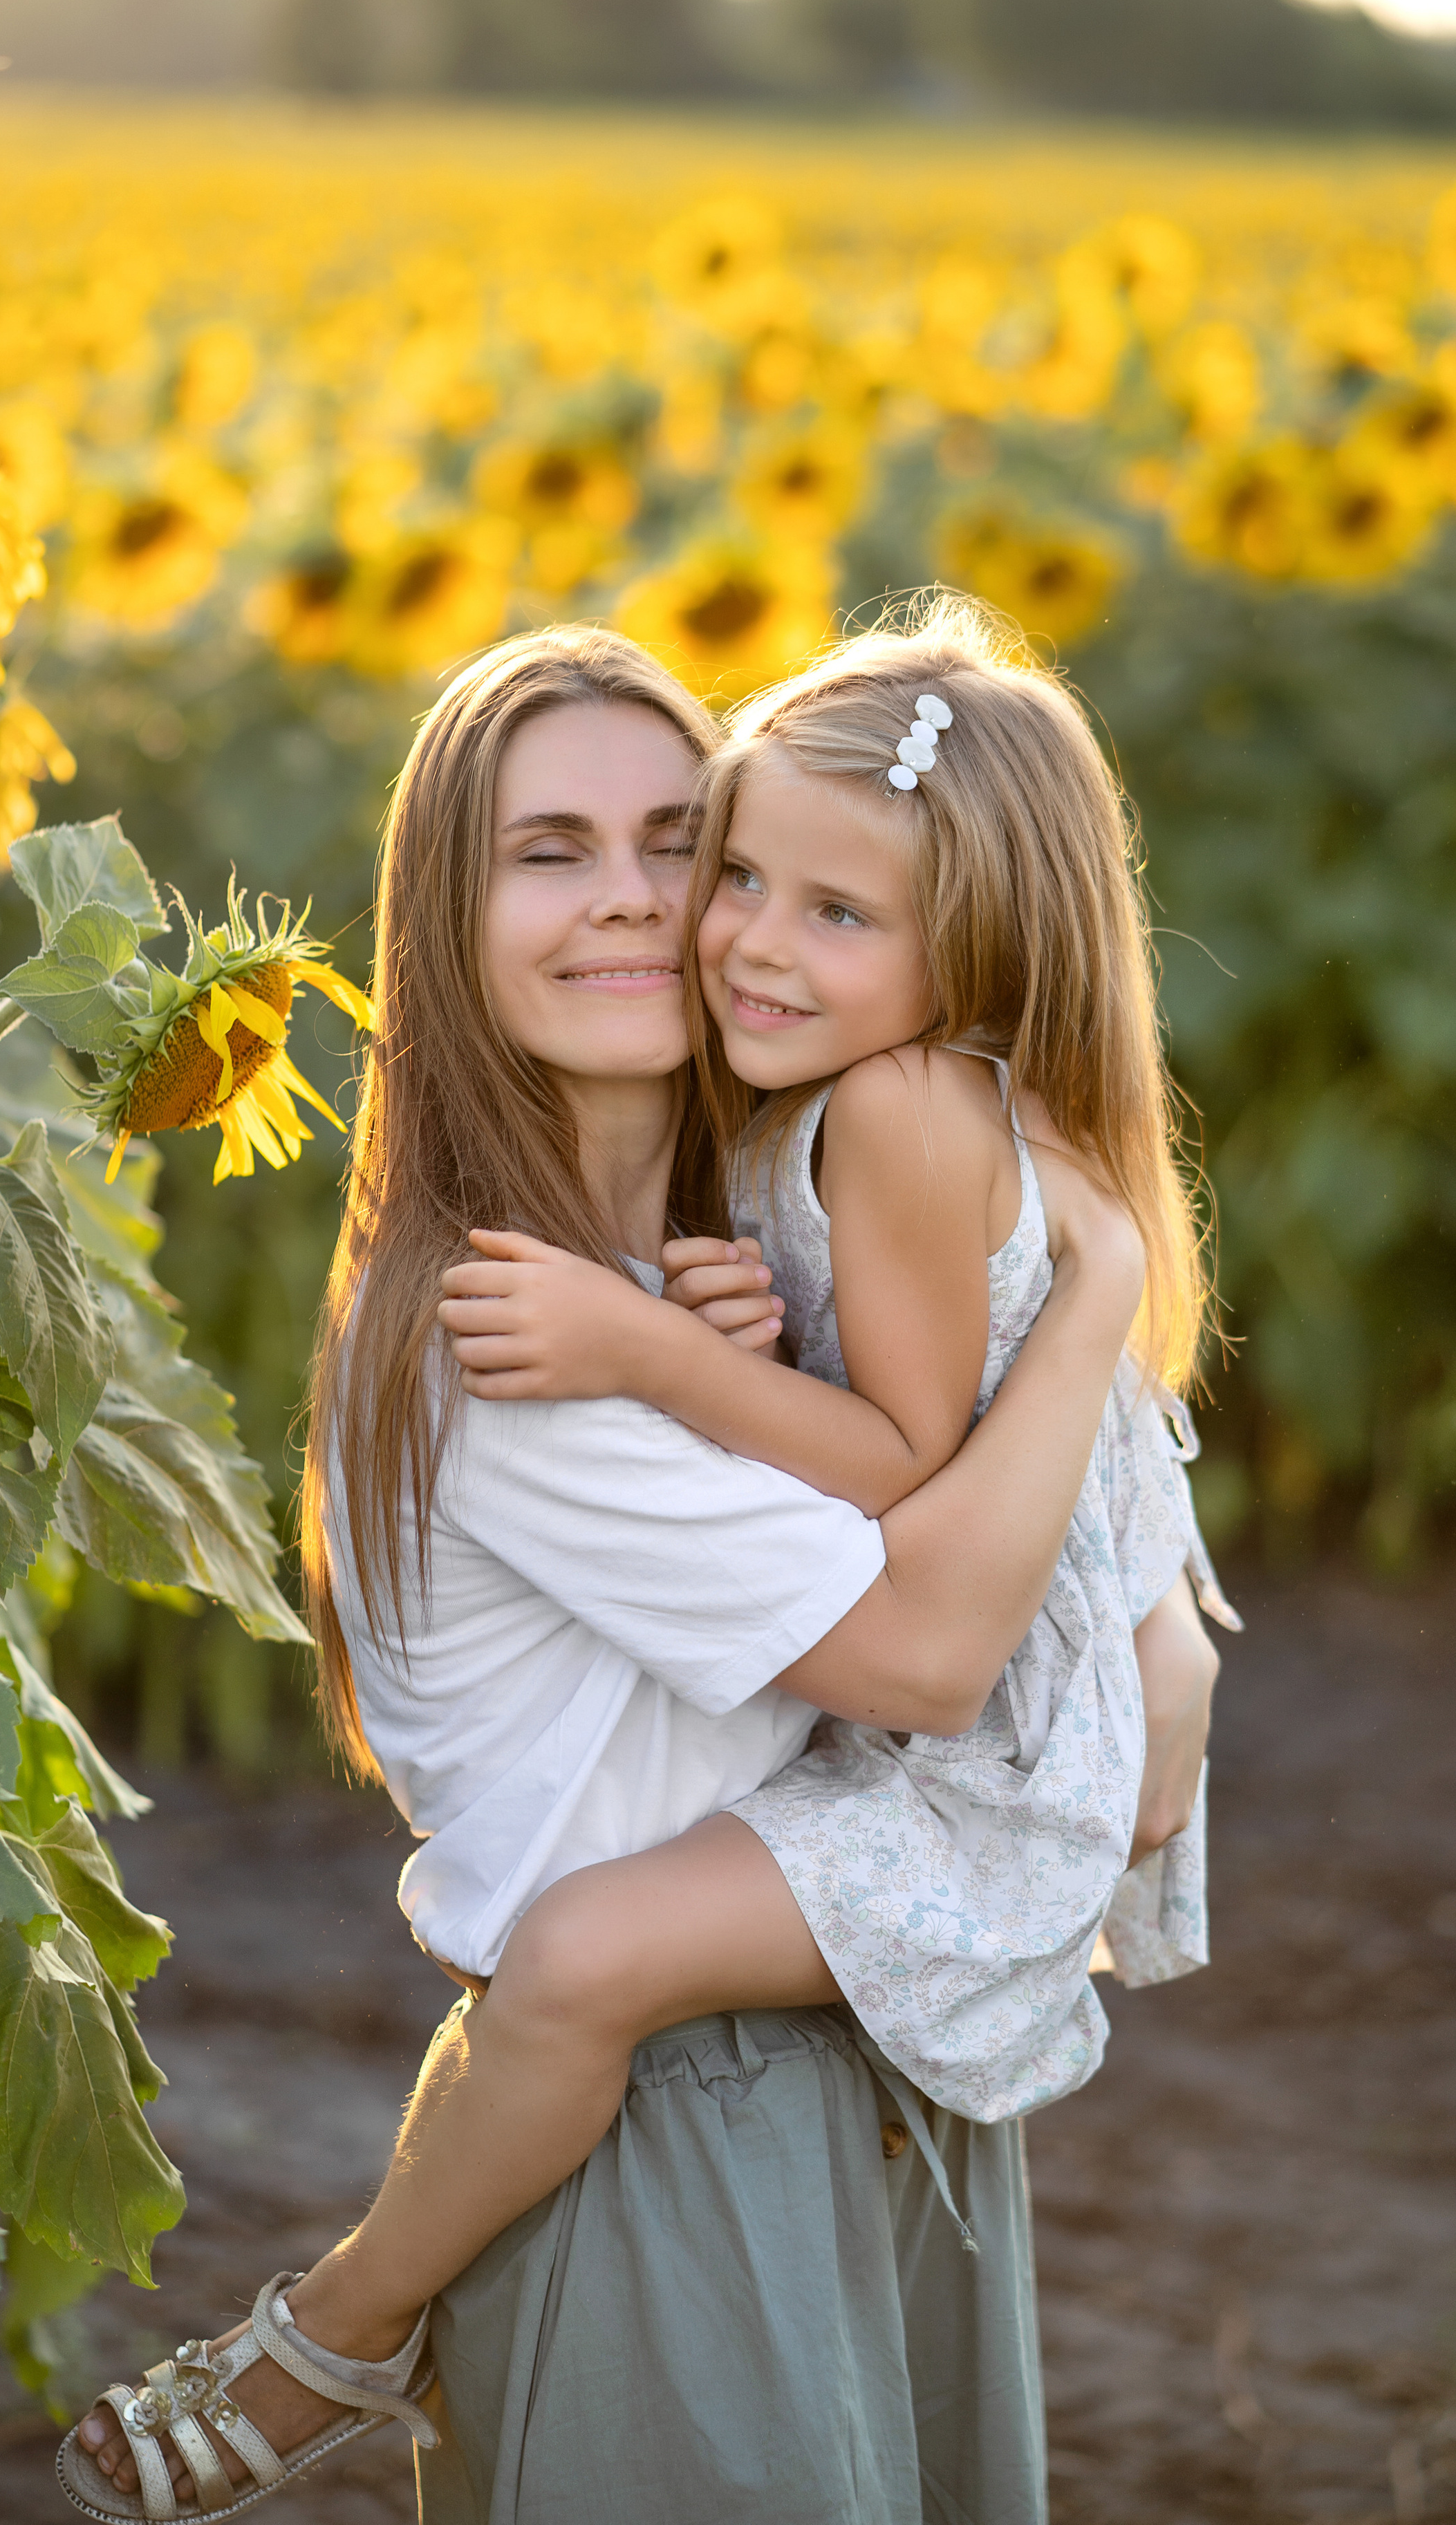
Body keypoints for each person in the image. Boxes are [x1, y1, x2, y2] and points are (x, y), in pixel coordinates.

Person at [61, 621, 1187, 2525]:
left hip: (867, 2065)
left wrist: (1175, 1629)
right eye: (548, 854)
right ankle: (328, 2336)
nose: (658, 909)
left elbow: (991, 1473)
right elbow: (927, 1645)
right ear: (442, 918)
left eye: (685, 839)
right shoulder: (503, 1340)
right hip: (675, 2139)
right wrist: (1102, 1305)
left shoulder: (739, 1240)